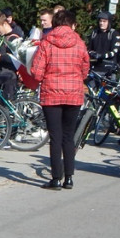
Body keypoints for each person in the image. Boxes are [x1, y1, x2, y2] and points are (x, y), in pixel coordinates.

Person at [30, 10, 89, 190]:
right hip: (74, 93)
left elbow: (36, 71)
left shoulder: (46, 43)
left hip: (52, 94)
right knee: (68, 136)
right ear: (72, 24)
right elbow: (85, 69)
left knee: (55, 137)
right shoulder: (79, 43)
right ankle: (69, 177)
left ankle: (56, 178)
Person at [87, 11, 120, 79]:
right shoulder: (94, 33)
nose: (101, 23)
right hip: (95, 69)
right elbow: (89, 48)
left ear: (109, 22)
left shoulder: (114, 34)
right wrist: (92, 54)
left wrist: (101, 55)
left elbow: (115, 51)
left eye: (104, 21)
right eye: (100, 21)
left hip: (109, 69)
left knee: (107, 89)